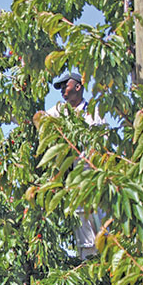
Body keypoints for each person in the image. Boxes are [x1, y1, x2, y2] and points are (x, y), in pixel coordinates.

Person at [47, 72, 107, 260]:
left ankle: (104, 252)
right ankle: (87, 258)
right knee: (80, 214)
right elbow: (41, 118)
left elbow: (102, 138)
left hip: (91, 170)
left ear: (78, 87)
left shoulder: (93, 111)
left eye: (66, 86)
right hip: (72, 174)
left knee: (98, 213)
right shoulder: (60, 111)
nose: (63, 91)